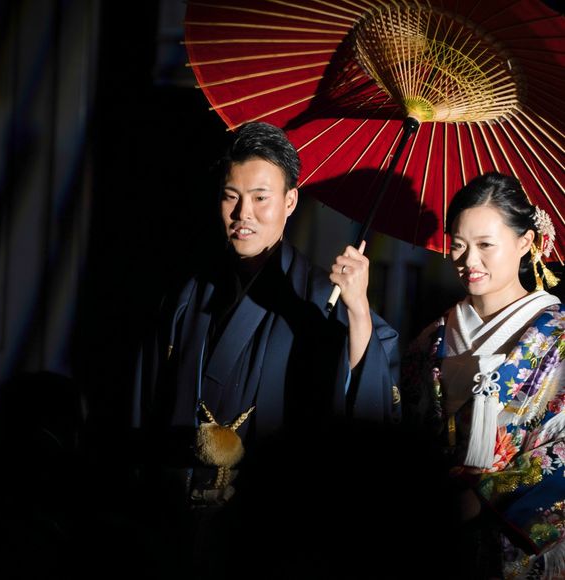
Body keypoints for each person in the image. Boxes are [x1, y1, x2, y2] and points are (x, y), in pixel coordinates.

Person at [133, 121, 400, 577]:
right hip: (179, 515)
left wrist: (357, 310)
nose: (244, 214)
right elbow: (147, 404)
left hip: (269, 523)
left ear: (290, 201)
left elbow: (370, 408)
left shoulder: (320, 297)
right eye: (231, 196)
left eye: (261, 198)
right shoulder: (187, 294)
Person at [401, 172, 564, 579]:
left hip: (517, 544)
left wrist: (487, 494)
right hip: (435, 531)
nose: (469, 261)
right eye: (458, 245)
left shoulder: (558, 336)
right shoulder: (430, 339)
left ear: (525, 242)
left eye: (485, 245)